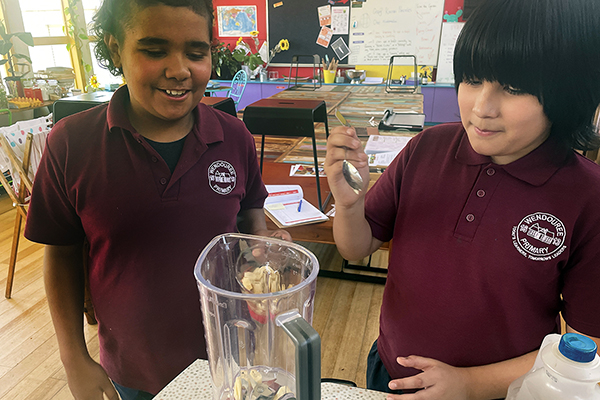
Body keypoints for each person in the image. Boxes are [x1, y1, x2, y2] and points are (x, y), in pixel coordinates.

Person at [324, 0, 600, 398]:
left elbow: (585, 346)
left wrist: (469, 384)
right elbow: (355, 247)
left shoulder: (587, 196)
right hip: (391, 372)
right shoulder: (425, 149)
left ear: (567, 93)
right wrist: (350, 205)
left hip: (500, 391)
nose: (481, 108)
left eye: (514, 88)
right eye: (472, 79)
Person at [24, 0, 290, 399]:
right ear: (115, 49)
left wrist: (266, 247)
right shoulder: (70, 144)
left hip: (228, 360)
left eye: (196, 53)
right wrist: (72, 358)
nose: (180, 70)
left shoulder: (234, 136)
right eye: (154, 50)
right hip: (132, 369)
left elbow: (250, 217)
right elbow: (61, 254)